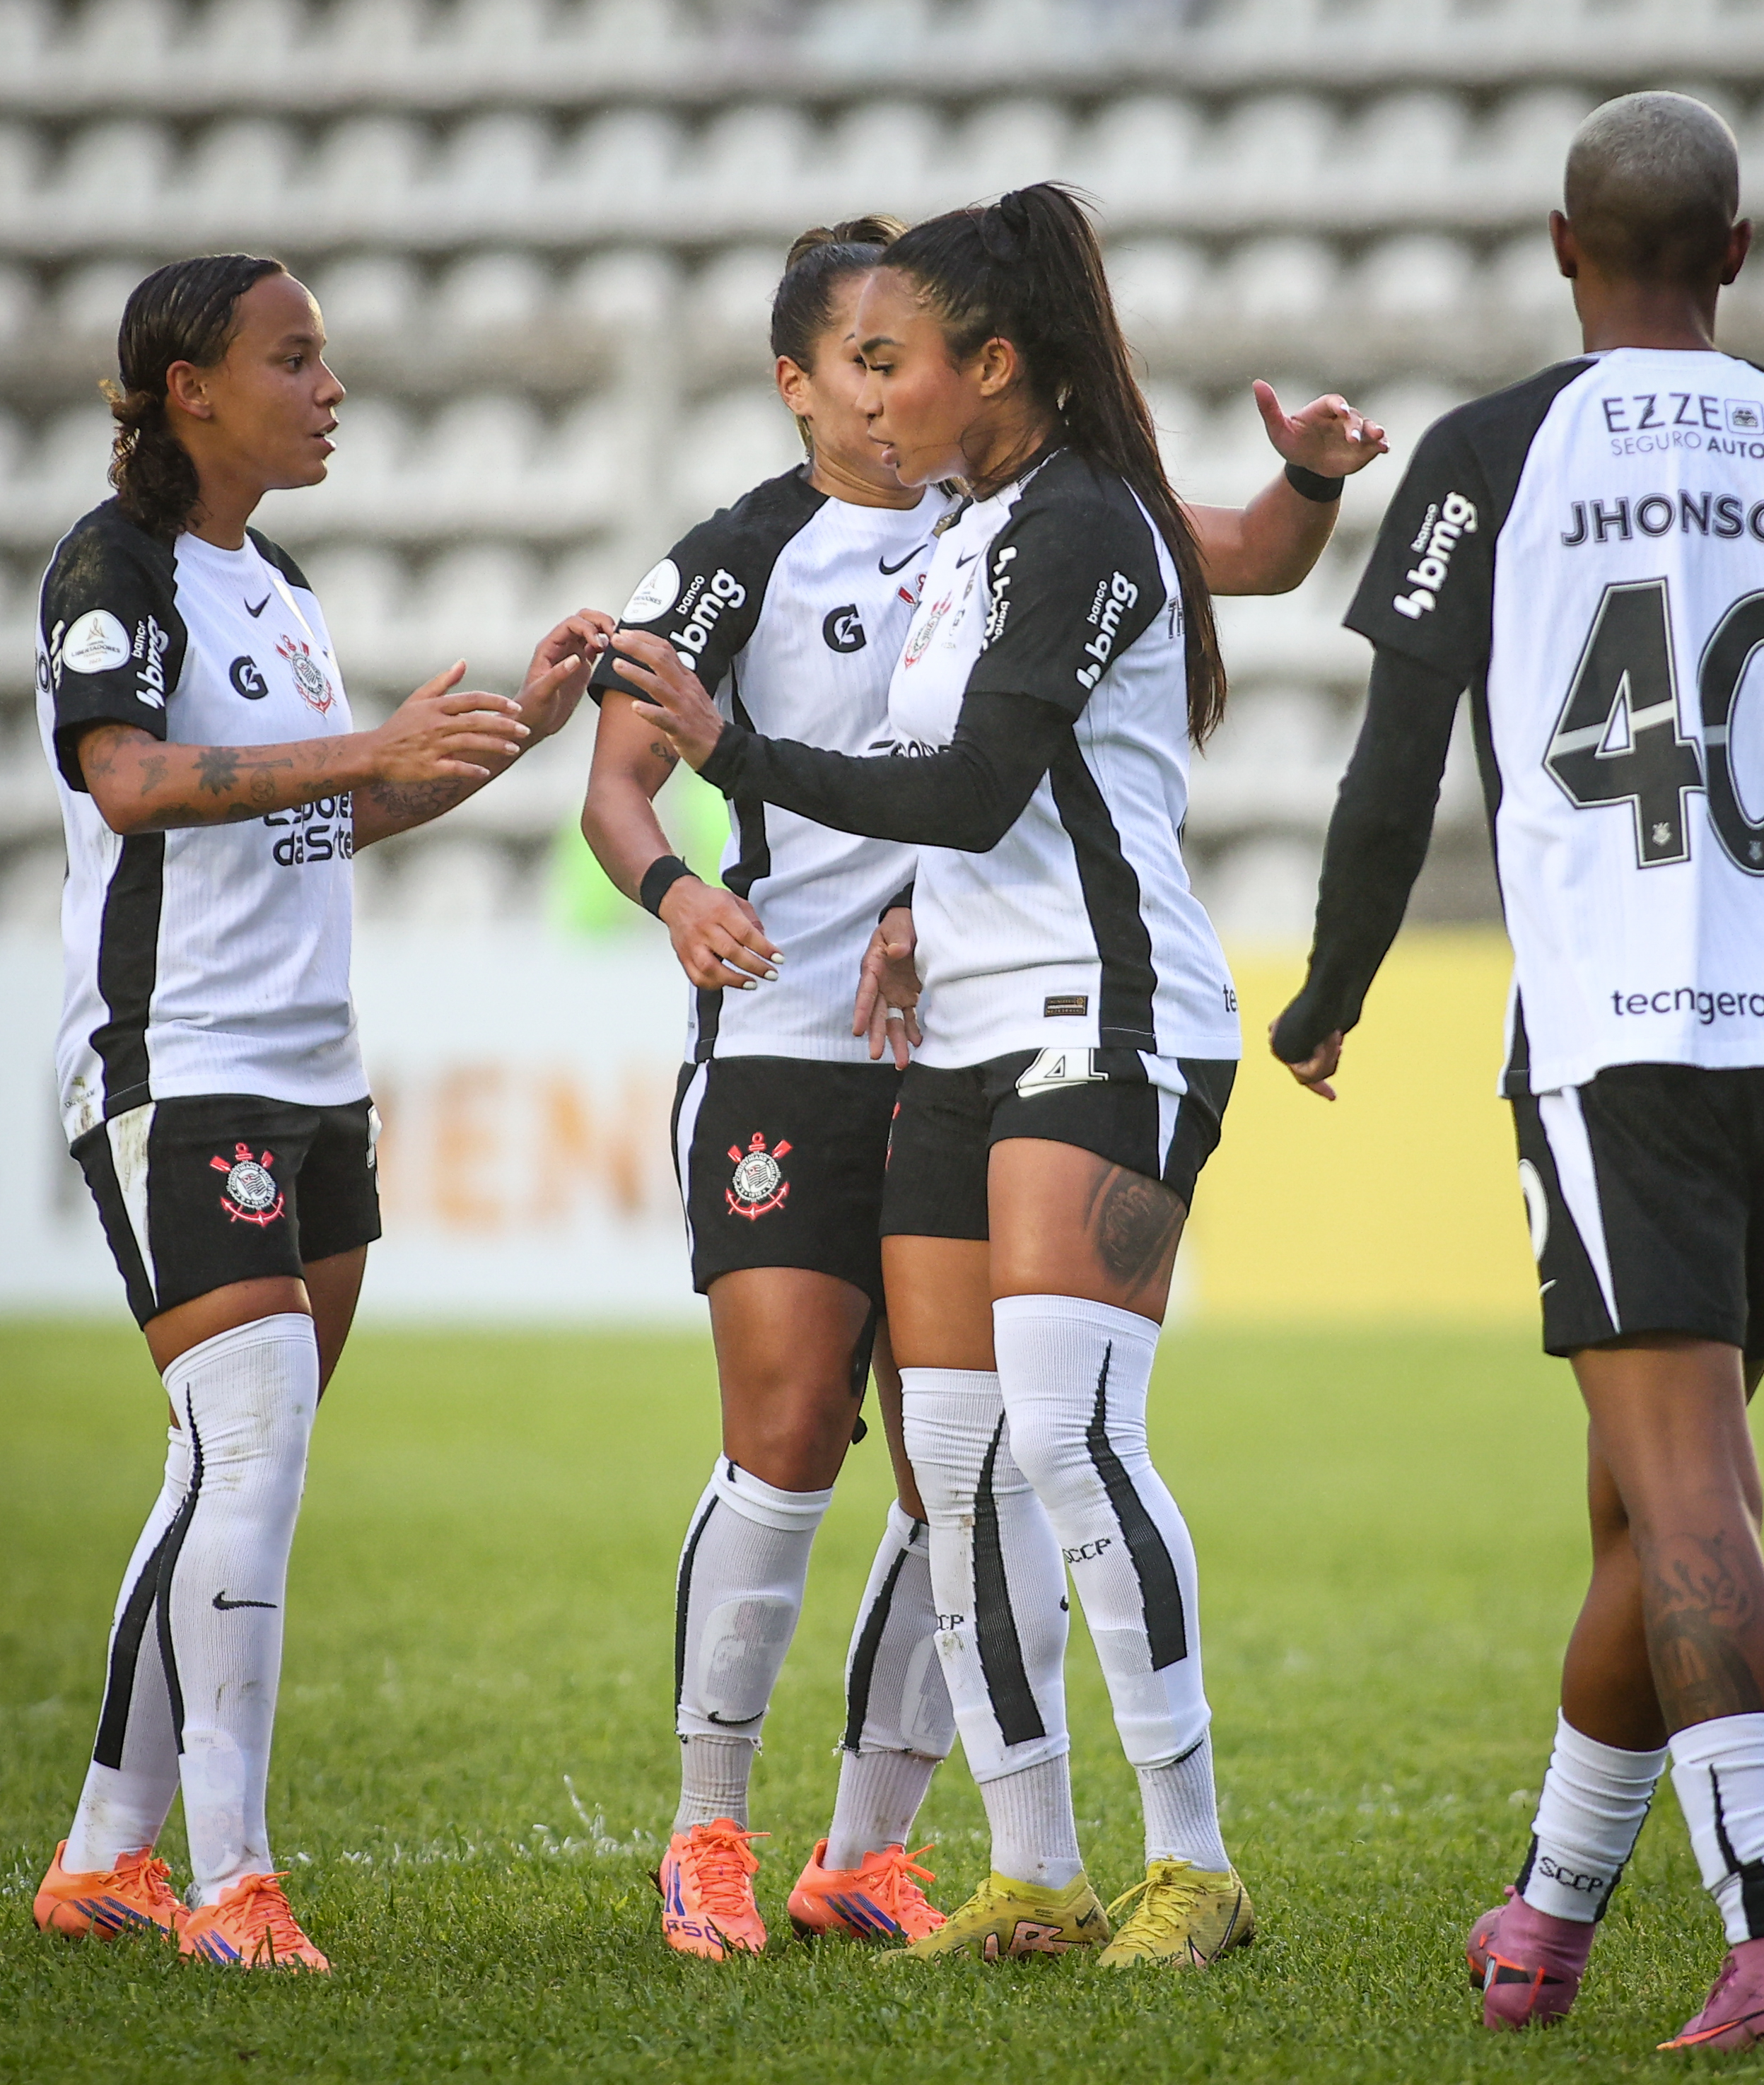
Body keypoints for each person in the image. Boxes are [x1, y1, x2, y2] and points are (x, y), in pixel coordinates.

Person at [1267, 94, 1764, 2052]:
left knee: (1685, 1486)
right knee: (1647, 1490)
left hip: (1617, 1031)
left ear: (1556, 245)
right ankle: (1538, 1916)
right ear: (1741, 252)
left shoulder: (1489, 452)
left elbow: (1395, 762)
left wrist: (1331, 984)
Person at [580, 214, 1386, 1961]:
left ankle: (1180, 1859)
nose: (883, 396)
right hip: (918, 1030)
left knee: (1063, 1436)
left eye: (905, 356)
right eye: (854, 365)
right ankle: (1014, 1867)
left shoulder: (1072, 521)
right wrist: (826, 903)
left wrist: (743, 764)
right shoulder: (914, 535)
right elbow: (803, 787)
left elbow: (977, 776)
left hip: (1096, 1019)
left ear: (985, 366)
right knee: (933, 1450)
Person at [26, 253, 608, 1972]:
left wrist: (505, 728)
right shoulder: (109, 563)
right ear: (190, 386)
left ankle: (101, 1856)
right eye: (295, 359)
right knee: (250, 1452)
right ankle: (231, 1886)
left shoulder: (273, 580)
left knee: (227, 1465)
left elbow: (312, 823)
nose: (328, 386)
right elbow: (126, 782)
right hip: (175, 1066)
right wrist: (366, 750)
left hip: (311, 1079)